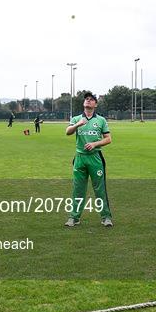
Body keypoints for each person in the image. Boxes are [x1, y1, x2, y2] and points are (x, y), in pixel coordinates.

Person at [65, 92, 113, 227]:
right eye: (86, 99)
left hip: (95, 158)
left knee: (100, 189)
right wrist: (78, 124)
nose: (88, 101)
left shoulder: (101, 120)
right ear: (83, 103)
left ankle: (106, 217)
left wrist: (94, 144)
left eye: (91, 100)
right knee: (78, 189)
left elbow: (108, 139)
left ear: (95, 104)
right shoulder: (76, 119)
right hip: (80, 158)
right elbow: (67, 132)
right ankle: (74, 218)